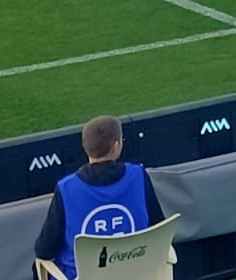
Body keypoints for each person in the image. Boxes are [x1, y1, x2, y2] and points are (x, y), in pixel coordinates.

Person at [34, 115, 167, 280]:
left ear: (85, 148)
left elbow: (44, 249)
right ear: (116, 145)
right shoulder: (138, 176)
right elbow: (159, 228)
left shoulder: (67, 189)